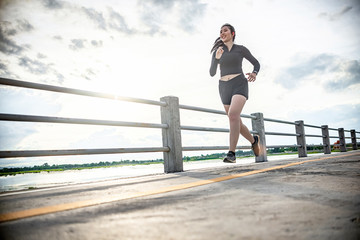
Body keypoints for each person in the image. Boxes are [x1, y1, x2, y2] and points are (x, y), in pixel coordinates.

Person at [209, 23, 261, 163]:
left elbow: (256, 63)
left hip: (239, 83)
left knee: (233, 115)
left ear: (232, 33)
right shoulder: (218, 51)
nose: (222, 33)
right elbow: (212, 73)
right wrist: (217, 58)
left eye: (225, 30)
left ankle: (231, 153)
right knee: (236, 120)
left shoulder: (241, 49)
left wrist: (254, 73)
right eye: (220, 31)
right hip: (224, 87)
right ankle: (253, 140)